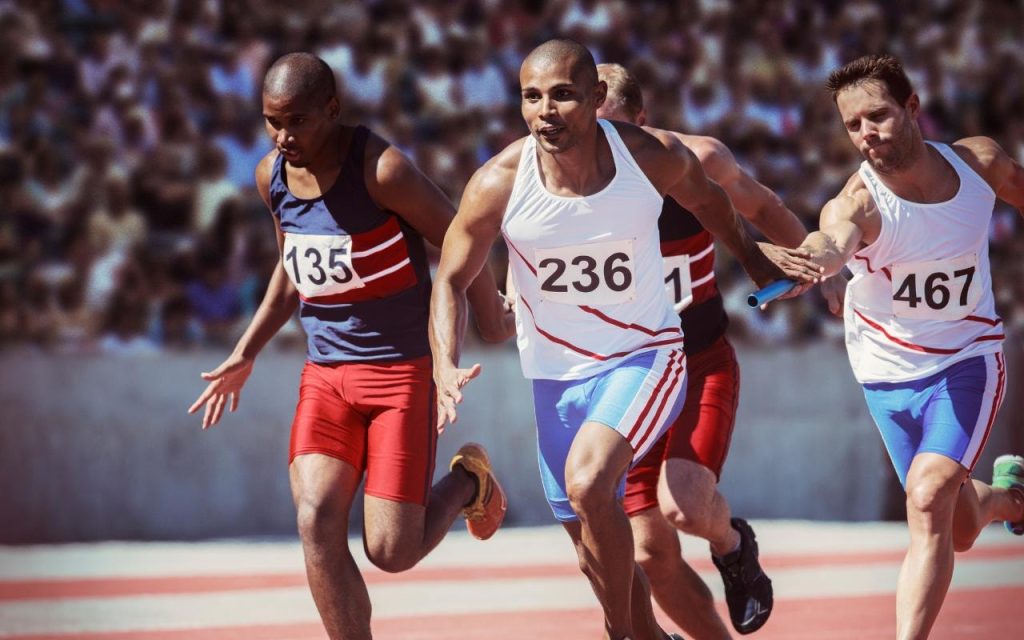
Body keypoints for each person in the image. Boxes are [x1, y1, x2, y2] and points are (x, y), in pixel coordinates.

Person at [429, 39, 820, 640]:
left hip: (661, 355)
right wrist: (444, 362)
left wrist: (772, 263)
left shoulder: (665, 157)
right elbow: (455, 277)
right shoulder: (502, 182)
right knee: (620, 551)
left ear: (599, 101)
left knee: (633, 493)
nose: (547, 112)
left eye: (563, 96)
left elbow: (735, 208)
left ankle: (718, 558)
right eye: (532, 97)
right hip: (559, 378)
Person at [187, 53, 513, 640]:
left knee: (391, 550)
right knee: (315, 519)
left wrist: (485, 324)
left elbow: (460, 243)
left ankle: (469, 480)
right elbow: (290, 273)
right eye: (271, 122)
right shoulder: (272, 177)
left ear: (333, 110)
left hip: (399, 375)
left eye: (298, 121)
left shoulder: (383, 171)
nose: (284, 136)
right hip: (327, 374)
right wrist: (247, 349)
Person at [790, 54, 1024, 640]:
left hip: (967, 359)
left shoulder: (980, 165)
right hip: (886, 373)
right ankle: (1010, 499)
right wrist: (815, 263)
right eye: (852, 125)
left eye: (878, 116)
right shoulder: (859, 203)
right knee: (958, 524)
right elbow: (830, 240)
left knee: (926, 499)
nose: (866, 133)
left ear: (912, 107)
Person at [595, 62, 808, 638]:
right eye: (592, 137)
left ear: (645, 124)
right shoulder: (559, 175)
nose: (603, 156)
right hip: (629, 379)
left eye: (619, 136)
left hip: (697, 363)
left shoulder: (697, 161)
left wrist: (825, 268)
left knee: (684, 506)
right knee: (649, 554)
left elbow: (762, 207)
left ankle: (733, 546)